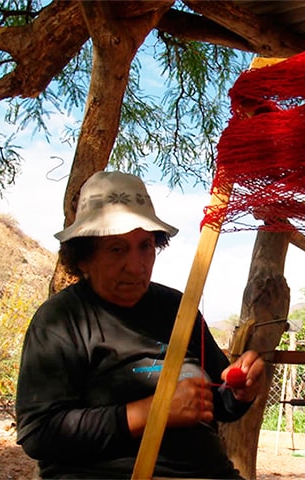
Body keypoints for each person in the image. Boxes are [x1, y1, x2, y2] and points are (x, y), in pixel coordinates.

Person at [15, 171, 266, 479]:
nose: (136, 266)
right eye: (117, 249)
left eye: (145, 246)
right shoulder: (62, 319)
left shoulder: (178, 308)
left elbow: (218, 403)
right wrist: (153, 412)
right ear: (83, 259)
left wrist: (240, 391)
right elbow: (40, 433)